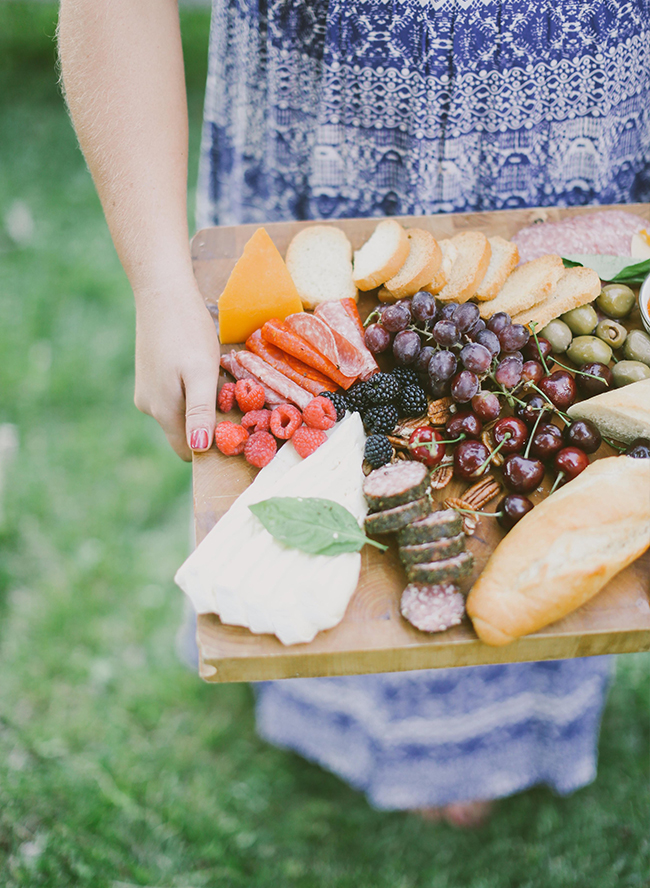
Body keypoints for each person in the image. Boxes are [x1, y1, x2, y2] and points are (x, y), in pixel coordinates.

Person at [58, 0, 650, 828]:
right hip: (320, 131)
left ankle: (489, 738)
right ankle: (314, 706)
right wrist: (161, 283)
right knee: (297, 504)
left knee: (532, 537)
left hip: (574, 142)